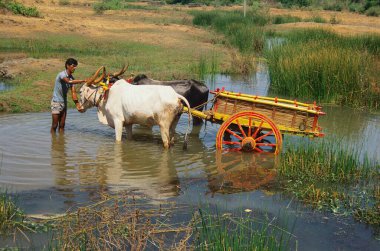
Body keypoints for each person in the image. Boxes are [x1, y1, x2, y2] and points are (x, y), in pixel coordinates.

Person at [50, 58, 86, 133]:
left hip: (64, 103)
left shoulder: (72, 78)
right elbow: (69, 81)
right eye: (73, 66)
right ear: (67, 66)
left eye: (76, 66)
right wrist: (83, 81)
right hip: (56, 102)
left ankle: (60, 143)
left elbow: (73, 92)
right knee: (54, 125)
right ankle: (53, 142)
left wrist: (77, 104)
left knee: (62, 125)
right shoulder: (62, 74)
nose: (75, 68)